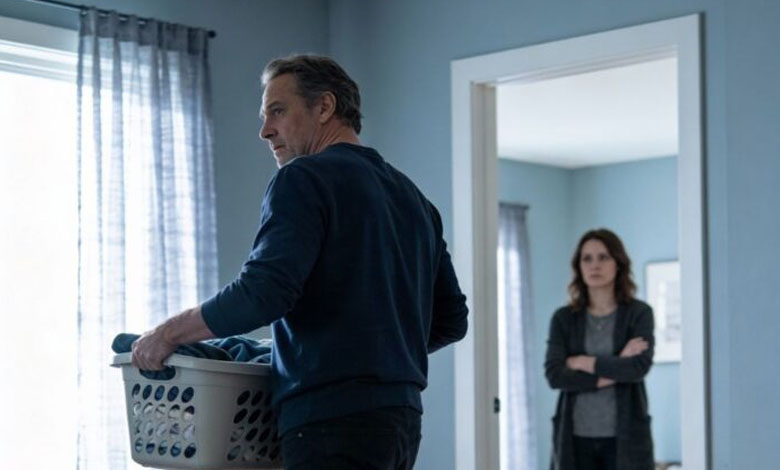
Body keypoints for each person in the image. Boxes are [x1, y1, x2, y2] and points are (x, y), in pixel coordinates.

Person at [130, 54, 469, 469]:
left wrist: (167, 334)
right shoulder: (415, 201)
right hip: (400, 423)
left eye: (277, 111)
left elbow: (262, 293)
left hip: (328, 424)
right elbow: (452, 320)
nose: (265, 131)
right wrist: (375, 351)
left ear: (324, 107)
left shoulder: (303, 177)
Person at [544, 228, 654, 470]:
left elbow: (637, 368)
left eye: (603, 257)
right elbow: (555, 376)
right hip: (574, 438)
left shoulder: (639, 314)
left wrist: (582, 362)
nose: (595, 265)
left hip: (626, 438)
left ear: (618, 264)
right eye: (587, 258)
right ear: (579, 266)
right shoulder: (563, 319)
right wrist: (618, 363)